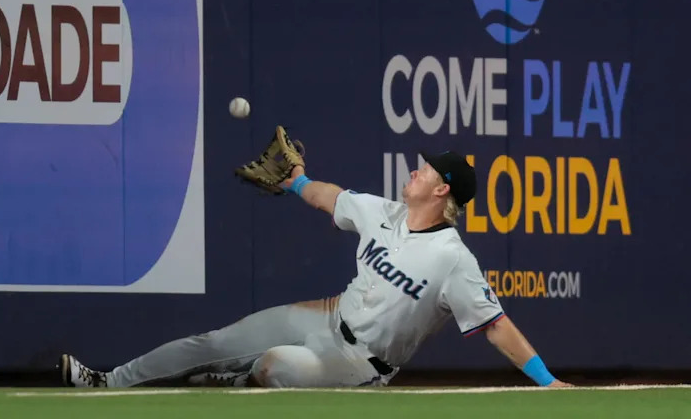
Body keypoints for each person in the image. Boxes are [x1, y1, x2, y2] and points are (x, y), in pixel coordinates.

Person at [60, 151, 572, 389]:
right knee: (214, 340)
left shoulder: (452, 258)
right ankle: (106, 382)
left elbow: (496, 325)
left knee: (271, 367)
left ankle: (231, 379)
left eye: (427, 170)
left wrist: (546, 383)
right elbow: (332, 200)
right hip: (325, 317)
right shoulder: (384, 212)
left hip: (361, 365)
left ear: (442, 192)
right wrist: (296, 180)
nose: (415, 171)